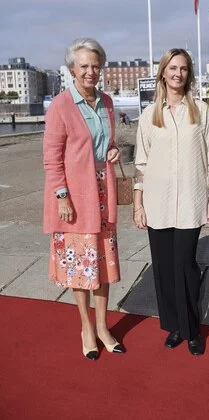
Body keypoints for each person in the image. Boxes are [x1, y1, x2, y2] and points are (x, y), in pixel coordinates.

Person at [133, 48, 209, 356]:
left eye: (183, 68)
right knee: (164, 268)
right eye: (172, 67)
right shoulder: (149, 115)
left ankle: (192, 328)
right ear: (163, 72)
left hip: (191, 203)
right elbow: (141, 164)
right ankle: (174, 326)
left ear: (189, 74)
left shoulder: (201, 111)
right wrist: (138, 203)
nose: (177, 73)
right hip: (156, 203)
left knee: (185, 266)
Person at [43, 38, 125, 360]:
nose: (91, 71)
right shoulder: (61, 106)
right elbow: (51, 158)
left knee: (103, 263)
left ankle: (103, 326)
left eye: (95, 65)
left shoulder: (106, 102)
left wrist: (113, 150)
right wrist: (62, 196)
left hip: (103, 193)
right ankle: (86, 328)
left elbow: (107, 143)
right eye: (84, 66)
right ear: (72, 69)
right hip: (74, 198)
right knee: (80, 267)